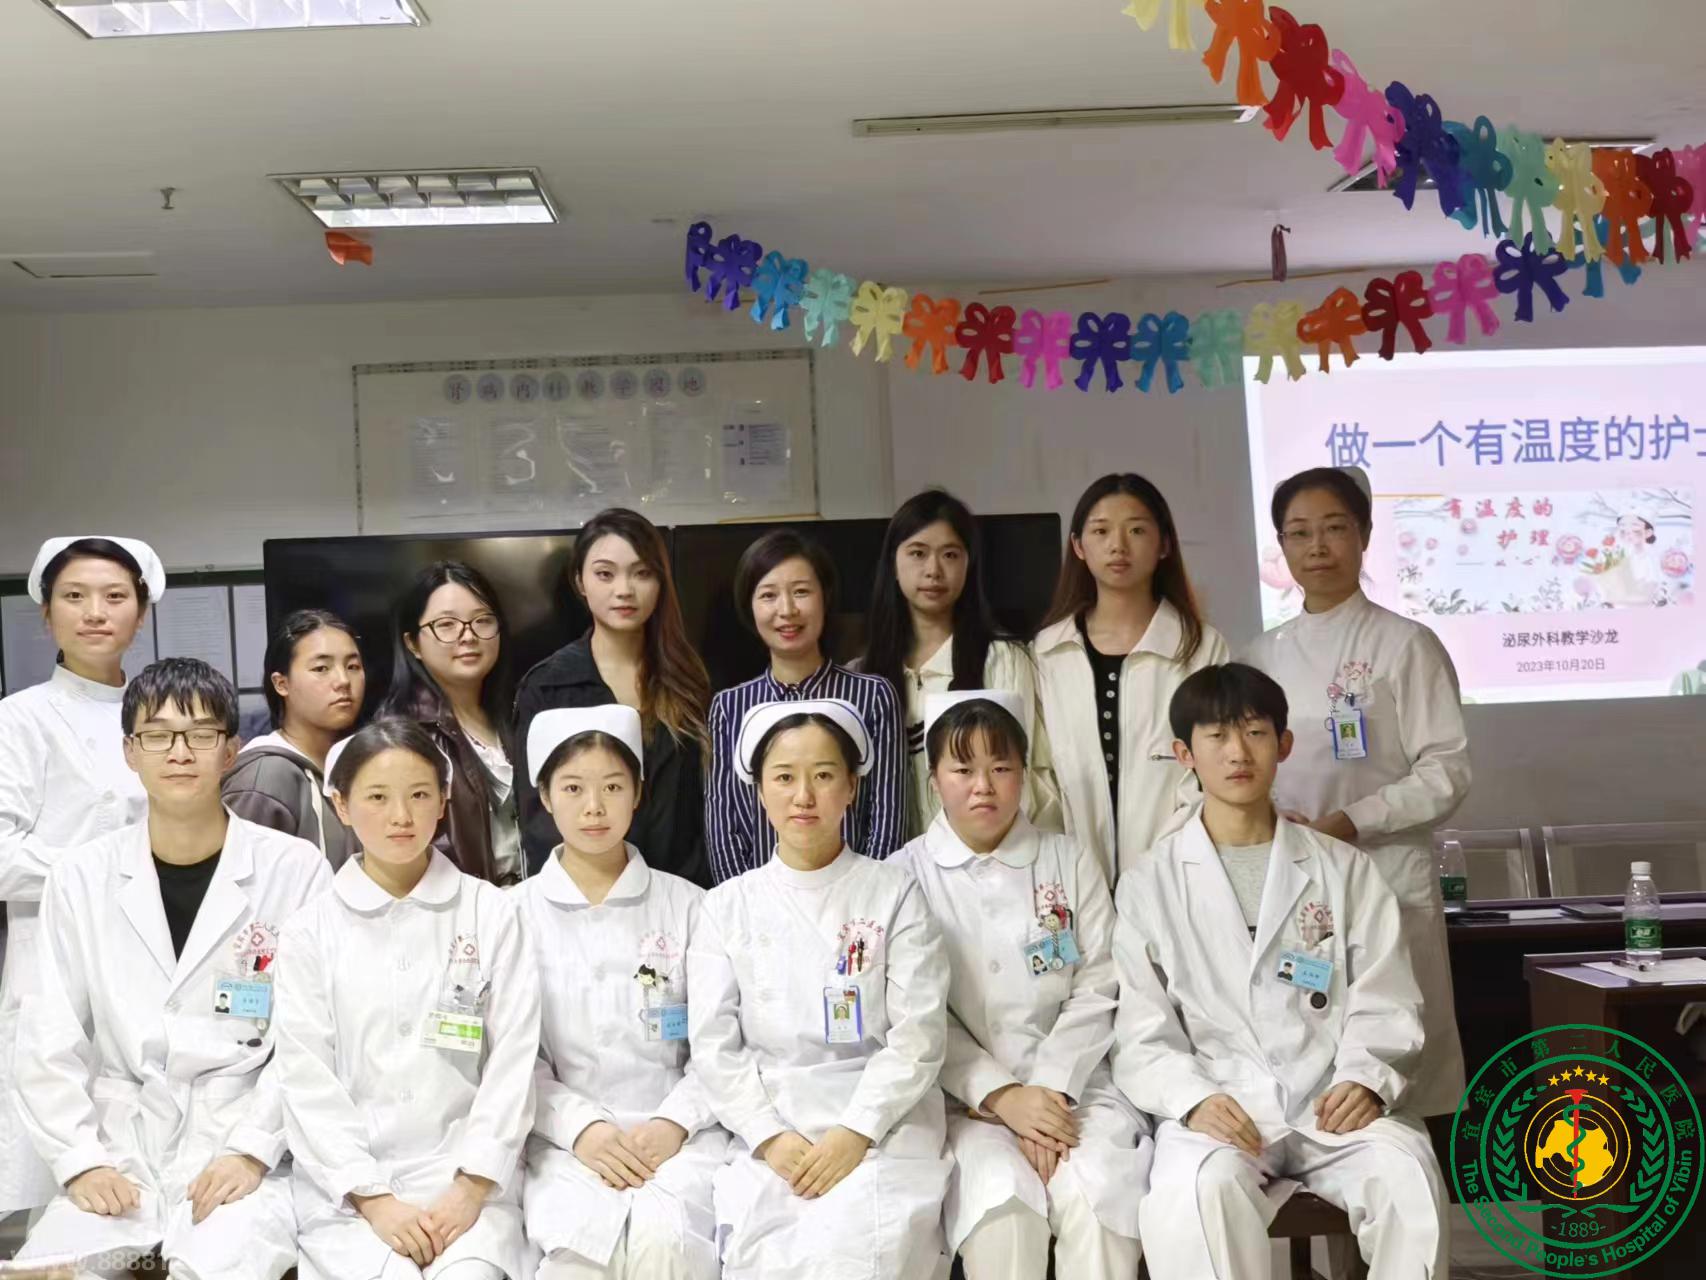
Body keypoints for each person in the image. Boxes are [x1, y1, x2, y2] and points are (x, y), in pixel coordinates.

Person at [1112, 663, 1447, 1280]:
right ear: (1185, 754)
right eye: (1216, 736)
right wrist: (1193, 1098)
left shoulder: (1344, 870)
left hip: (1331, 1102)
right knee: (1197, 1194)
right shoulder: (1150, 883)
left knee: (1408, 1176)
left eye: (1255, 732)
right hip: (1221, 1105)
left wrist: (1366, 1079)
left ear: (1284, 743)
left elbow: (1387, 997)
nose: (1238, 753)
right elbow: (1141, 1029)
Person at [12, 658, 330, 1279]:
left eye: (201, 734)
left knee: (211, 1267)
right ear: (130, 752)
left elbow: (313, 1037)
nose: (180, 752)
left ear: (231, 750)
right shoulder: (81, 877)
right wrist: (81, 1161)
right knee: (58, 1272)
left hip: (241, 1146)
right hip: (120, 1150)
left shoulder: (294, 870)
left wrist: (251, 1150)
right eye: (157, 735)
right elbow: (48, 1036)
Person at [688, 699, 951, 1279]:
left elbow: (918, 1035)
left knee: (858, 1253)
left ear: (852, 787)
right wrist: (768, 1137)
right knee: (762, 1257)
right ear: (759, 791)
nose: (803, 796)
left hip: (882, 1125)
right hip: (770, 1126)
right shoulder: (726, 906)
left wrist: (856, 1131)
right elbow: (714, 1048)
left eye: (824, 775)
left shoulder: (894, 893)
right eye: (784, 778)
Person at [274, 718, 541, 1280]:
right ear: (342, 805)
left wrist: (471, 1186)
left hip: (469, 1185)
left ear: (443, 802)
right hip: (348, 1199)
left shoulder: (491, 914)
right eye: (377, 797)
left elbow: (514, 1062)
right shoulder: (309, 932)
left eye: (419, 795)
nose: (401, 816)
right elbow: (305, 1078)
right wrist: (372, 1198)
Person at [891, 692, 1146, 1280]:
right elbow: (917, 1013)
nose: (984, 786)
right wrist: (1002, 1095)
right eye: (963, 770)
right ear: (933, 780)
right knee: (1002, 1209)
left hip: (1077, 1091)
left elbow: (1100, 981)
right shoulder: (905, 875)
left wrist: (1050, 1092)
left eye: (1001, 768)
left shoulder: (1068, 860)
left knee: (1097, 1200)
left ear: (1024, 775)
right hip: (968, 1105)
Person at [1242, 466, 1470, 1116]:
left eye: (1335, 528)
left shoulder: (1405, 645)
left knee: (1399, 1057)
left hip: (1386, 868)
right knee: (1306, 1048)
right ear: (1282, 546)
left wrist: (1350, 821)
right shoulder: (1260, 656)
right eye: (1299, 533)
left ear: (1365, 535)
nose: (1317, 547)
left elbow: (1446, 770)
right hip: (1294, 877)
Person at [517, 706, 725, 1280]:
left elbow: (721, 1043)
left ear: (638, 792)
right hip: (562, 1143)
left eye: (612, 786)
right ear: (544, 795)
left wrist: (674, 1123)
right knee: (579, 1258)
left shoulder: (691, 906)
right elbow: (511, 1058)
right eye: (573, 788)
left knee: (668, 1247)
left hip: (682, 1137)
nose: (594, 807)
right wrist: (581, 1128)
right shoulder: (513, 916)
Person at [0, 534, 164, 1216]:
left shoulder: (160, 716)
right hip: (54, 957)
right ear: (46, 615)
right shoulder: (20, 719)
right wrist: (102, 872)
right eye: (74, 596)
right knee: (59, 1168)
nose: (95, 612)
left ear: (141, 614)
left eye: (115, 597)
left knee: (151, 1169)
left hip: (149, 953)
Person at [1033, 474, 1228, 886]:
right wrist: (1062, 861)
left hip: (1179, 873)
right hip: (1070, 877)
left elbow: (1212, 770)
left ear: (1164, 544)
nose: (1118, 545)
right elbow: (1040, 772)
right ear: (1078, 546)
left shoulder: (1201, 647)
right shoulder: (1048, 651)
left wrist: (1162, 865)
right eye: (1101, 531)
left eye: (1137, 530)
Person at [515, 509, 712, 885]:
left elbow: (703, 808)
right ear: (580, 581)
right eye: (605, 574)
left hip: (681, 892)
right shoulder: (547, 686)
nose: (624, 590)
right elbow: (537, 818)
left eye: (642, 573)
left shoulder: (689, 680)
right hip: (585, 896)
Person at [704, 530, 905, 882]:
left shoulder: (873, 696)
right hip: (759, 906)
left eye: (801, 592)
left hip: (857, 900)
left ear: (825, 598)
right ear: (750, 607)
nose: (787, 610)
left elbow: (886, 818)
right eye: (768, 595)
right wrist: (746, 902)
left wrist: (866, 897)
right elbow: (724, 828)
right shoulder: (729, 707)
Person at [861, 489, 1060, 838]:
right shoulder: (865, 674)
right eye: (918, 553)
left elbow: (1027, 776)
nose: (934, 570)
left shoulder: (1001, 659)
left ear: (969, 565)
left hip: (990, 856)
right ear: (893, 563)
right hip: (895, 861)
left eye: (950, 555)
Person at [383, 561, 520, 884]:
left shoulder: (518, 714)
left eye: (482, 621)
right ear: (413, 644)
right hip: (456, 907)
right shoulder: (400, 735)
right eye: (446, 625)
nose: (468, 636)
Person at [222, 607, 366, 868]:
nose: (343, 680)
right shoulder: (265, 778)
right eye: (321, 668)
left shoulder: (353, 767)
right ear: (281, 684)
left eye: (353, 666)